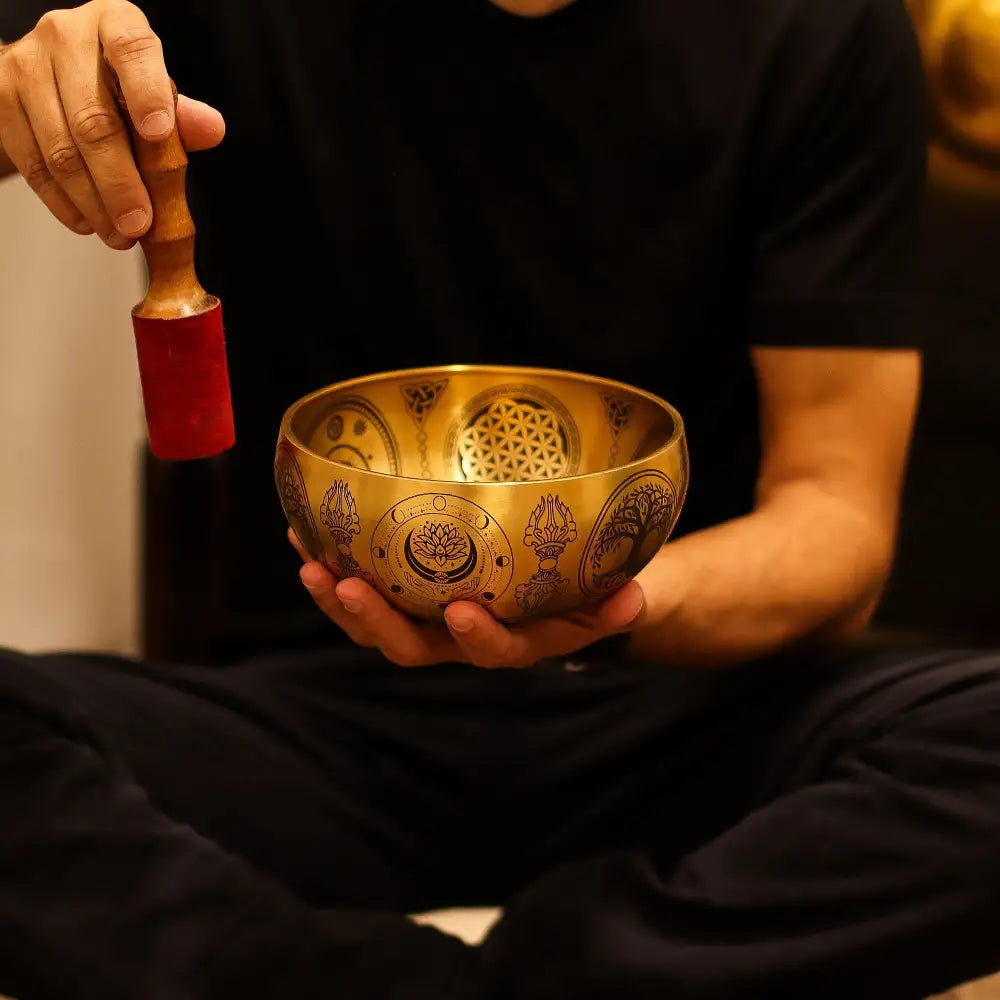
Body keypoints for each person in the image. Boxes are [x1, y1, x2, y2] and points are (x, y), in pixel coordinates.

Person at [1, 0, 999, 997]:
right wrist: (19, 90)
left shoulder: (818, 24)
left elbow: (836, 517)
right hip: (319, 711)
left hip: (680, 706)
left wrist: (604, 610)